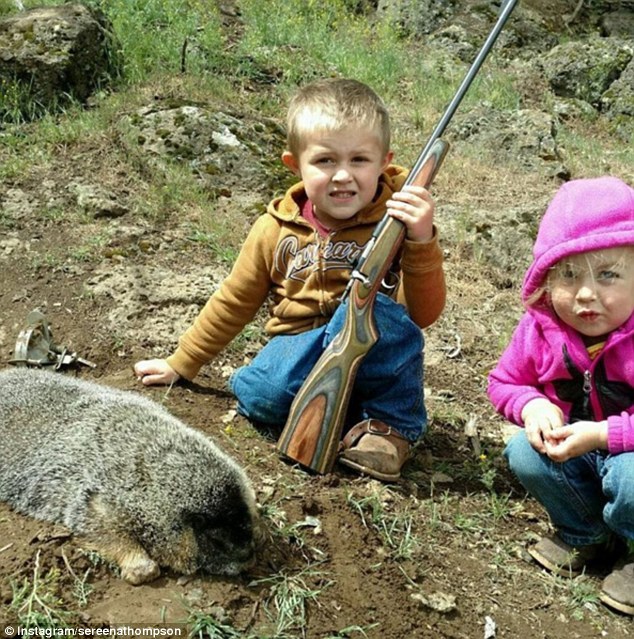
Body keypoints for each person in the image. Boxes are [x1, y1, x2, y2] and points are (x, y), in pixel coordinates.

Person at [134, 78, 446, 482]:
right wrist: (183, 362)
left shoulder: (399, 221)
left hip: (373, 354)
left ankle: (390, 430)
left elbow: (423, 314)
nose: (343, 176)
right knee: (261, 395)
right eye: (325, 161)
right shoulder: (272, 230)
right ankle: (332, 407)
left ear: (385, 161)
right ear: (294, 164)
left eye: (359, 160)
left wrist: (421, 239)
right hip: (299, 349)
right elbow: (234, 300)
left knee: (386, 316)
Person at [488, 176, 634, 615]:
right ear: (547, 280)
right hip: (578, 449)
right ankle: (588, 536)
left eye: (608, 275)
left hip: (627, 451)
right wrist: (531, 404)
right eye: (568, 275)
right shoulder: (541, 328)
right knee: (525, 453)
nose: (587, 294)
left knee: (630, 478)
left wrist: (605, 435)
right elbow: (503, 381)